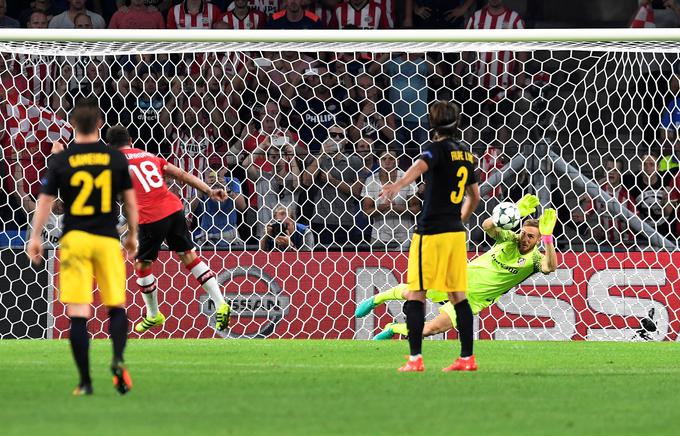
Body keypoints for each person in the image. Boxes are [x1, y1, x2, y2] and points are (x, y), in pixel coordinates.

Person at [26, 96, 138, 396]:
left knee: (78, 313)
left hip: (74, 240)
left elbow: (45, 202)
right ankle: (117, 359)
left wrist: (35, 237)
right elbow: (129, 200)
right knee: (116, 307)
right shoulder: (115, 158)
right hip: (106, 238)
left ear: (72, 124)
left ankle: (85, 382)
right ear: (100, 124)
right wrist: (133, 235)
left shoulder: (62, 159)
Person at [356, 202, 558, 342]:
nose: (524, 238)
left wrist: (548, 237)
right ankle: (376, 300)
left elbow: (550, 267)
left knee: (431, 329)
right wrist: (514, 211)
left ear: (539, 240)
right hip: (458, 279)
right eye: (523, 232)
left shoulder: (535, 259)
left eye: (531, 236)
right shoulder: (509, 238)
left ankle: (392, 328)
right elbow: (487, 225)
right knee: (414, 291)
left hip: (473, 300)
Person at [379, 100, 480, 372]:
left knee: (416, 292)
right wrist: (460, 218)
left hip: (431, 232)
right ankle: (467, 358)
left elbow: (419, 167)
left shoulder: (435, 150)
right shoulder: (466, 155)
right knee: (458, 294)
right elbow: (475, 197)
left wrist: (397, 185)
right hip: (456, 234)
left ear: (433, 123)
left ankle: (415, 359)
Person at [105, 125, 232, 333]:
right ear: (131, 140)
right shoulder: (150, 156)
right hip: (174, 209)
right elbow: (181, 173)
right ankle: (220, 303)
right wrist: (210, 190)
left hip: (151, 217)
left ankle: (154, 315)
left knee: (142, 266)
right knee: (189, 257)